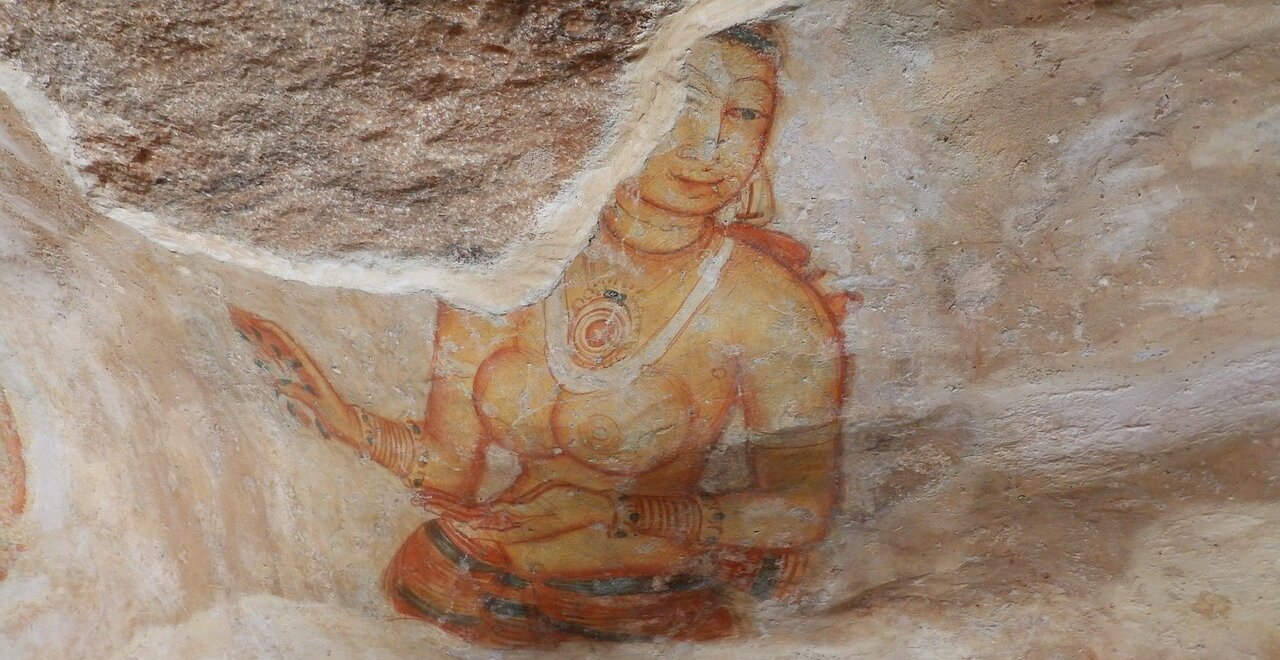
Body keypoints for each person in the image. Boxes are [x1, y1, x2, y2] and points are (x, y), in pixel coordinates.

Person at [232, 21, 853, 648]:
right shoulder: (506, 266)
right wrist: (347, 424)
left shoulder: (771, 307)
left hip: (639, 608)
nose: (712, 143)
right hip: (448, 580)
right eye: (685, 104)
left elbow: (801, 510)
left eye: (746, 113)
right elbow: (450, 468)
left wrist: (625, 516)